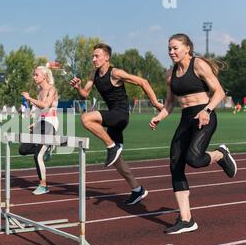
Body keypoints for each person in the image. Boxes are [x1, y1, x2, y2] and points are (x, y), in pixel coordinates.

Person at [150, 33, 237, 234]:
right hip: (185, 120)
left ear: (187, 48)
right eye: (169, 49)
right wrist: (159, 117)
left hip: (204, 117)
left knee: (194, 159)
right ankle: (187, 219)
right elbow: (169, 104)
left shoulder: (198, 65)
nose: (171, 52)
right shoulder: (170, 74)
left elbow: (220, 92)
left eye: (175, 48)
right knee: (175, 165)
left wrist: (207, 110)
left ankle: (221, 154)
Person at [70, 43, 163, 206]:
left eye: (97, 56)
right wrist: (78, 87)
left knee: (86, 118)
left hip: (121, 115)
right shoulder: (94, 73)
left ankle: (111, 146)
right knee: (118, 161)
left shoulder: (116, 73)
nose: (93, 59)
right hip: (114, 118)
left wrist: (155, 102)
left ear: (107, 57)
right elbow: (85, 95)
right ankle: (137, 189)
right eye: (93, 56)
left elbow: (143, 82)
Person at [19, 66, 59, 195]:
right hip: (40, 123)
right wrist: (35, 123)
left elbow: (46, 106)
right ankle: (46, 147)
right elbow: (41, 111)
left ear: (44, 76)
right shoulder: (39, 92)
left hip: (50, 124)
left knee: (38, 156)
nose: (34, 77)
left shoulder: (52, 90)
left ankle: (43, 185)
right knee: (23, 149)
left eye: (36, 75)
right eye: (34, 74)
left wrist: (29, 98)